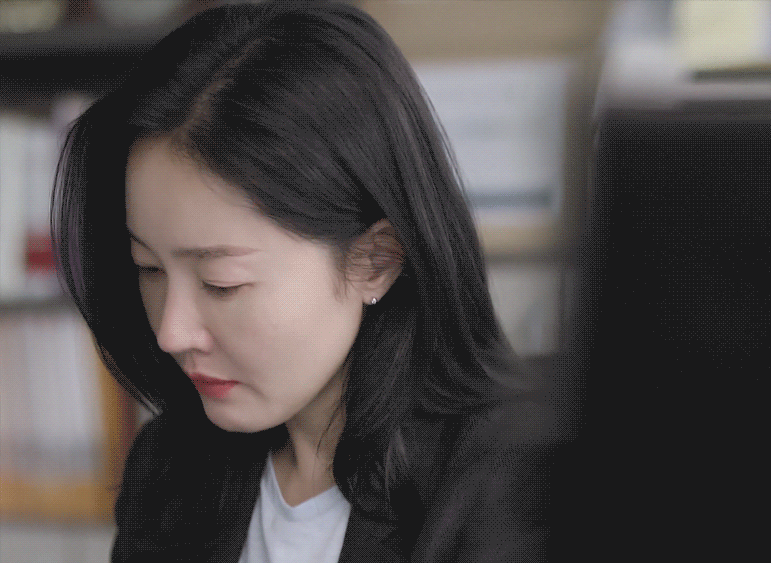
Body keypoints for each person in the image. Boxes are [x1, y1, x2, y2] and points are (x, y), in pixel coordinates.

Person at [52, 2, 560, 561]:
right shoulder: (169, 467)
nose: (171, 333)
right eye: (149, 268)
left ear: (376, 260)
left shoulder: (515, 487)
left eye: (221, 282)